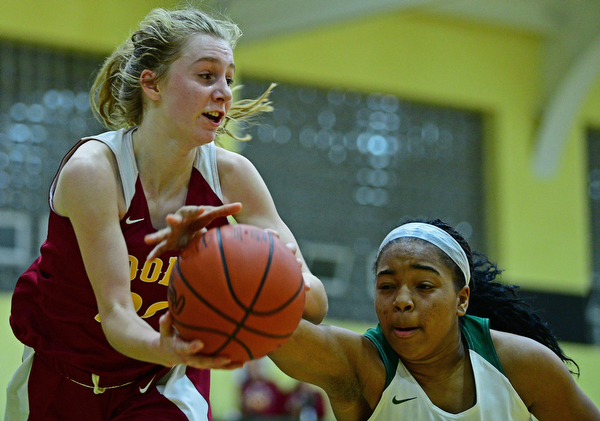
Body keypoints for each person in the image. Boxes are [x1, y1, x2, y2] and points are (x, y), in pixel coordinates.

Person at [5, 6, 327, 421]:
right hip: (63, 375)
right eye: (206, 75)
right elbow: (118, 314)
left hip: (161, 383)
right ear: (152, 84)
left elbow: (314, 302)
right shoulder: (94, 171)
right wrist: (167, 345)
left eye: (228, 79)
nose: (225, 92)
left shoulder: (233, 177)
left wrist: (263, 266)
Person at [269, 219, 600, 420]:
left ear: (462, 299)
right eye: (386, 286)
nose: (401, 300)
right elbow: (270, 330)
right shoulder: (362, 364)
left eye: (424, 286)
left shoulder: (523, 364)